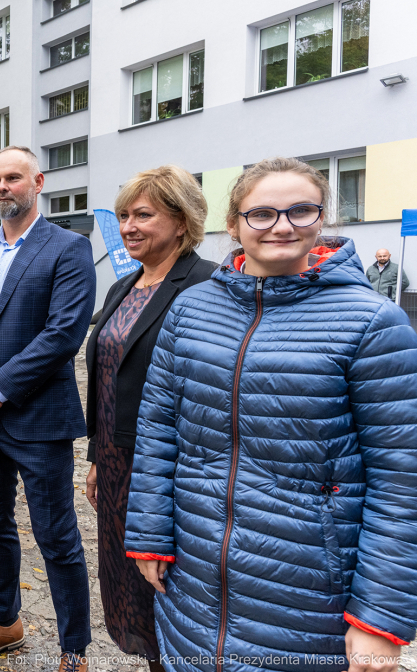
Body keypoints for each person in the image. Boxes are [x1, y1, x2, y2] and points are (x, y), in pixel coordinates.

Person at [125, 157, 417, 672]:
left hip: (307, 590)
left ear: (321, 219)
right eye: (261, 213)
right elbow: (157, 428)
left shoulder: (373, 323)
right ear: (234, 224)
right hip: (193, 572)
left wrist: (380, 615)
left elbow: (403, 478)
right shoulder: (192, 309)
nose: (281, 225)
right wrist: (149, 532)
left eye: (300, 211)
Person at [0, 146, 96, 672]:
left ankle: (73, 648)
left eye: (13, 178)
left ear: (38, 182)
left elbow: (64, 334)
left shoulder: (68, 248)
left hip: (37, 417)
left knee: (56, 535)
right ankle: (3, 621)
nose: (2, 187)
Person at [83, 166, 216, 670]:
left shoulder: (207, 285)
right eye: (122, 216)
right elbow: (105, 376)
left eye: (144, 214)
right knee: (126, 582)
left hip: (173, 468)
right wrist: (96, 456)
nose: (129, 226)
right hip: (117, 464)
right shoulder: (123, 285)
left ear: (182, 222)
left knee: (170, 586)